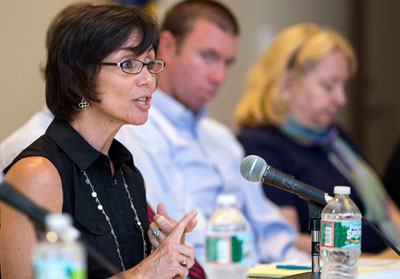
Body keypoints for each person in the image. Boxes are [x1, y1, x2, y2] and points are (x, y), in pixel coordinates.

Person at [0, 5, 198, 279]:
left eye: (151, 64)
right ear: (81, 78)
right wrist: (143, 274)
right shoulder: (38, 175)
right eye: (128, 64)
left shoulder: (128, 172)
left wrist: (169, 263)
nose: (148, 81)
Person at [116, 0, 308, 266]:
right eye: (208, 57)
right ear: (169, 47)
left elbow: (270, 231)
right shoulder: (134, 132)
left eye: (227, 63)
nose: (218, 76)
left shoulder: (222, 138)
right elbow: (178, 236)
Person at [235, 23, 400, 254]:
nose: (341, 99)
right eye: (328, 85)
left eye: (343, 85)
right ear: (287, 83)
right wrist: (375, 258)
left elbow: (388, 209)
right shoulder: (260, 145)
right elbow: (285, 241)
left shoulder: (334, 137)